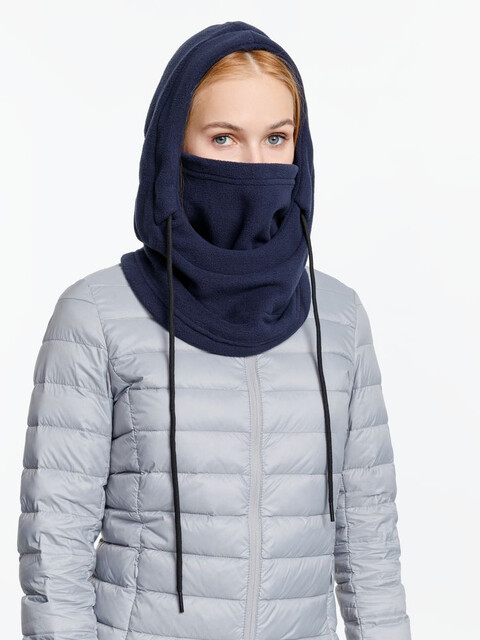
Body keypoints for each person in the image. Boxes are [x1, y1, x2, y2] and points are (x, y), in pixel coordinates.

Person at [17, 20, 412, 640]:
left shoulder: (338, 317)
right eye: (224, 138)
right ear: (173, 147)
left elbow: (369, 541)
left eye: (276, 138)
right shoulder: (97, 313)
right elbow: (55, 547)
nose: (255, 165)